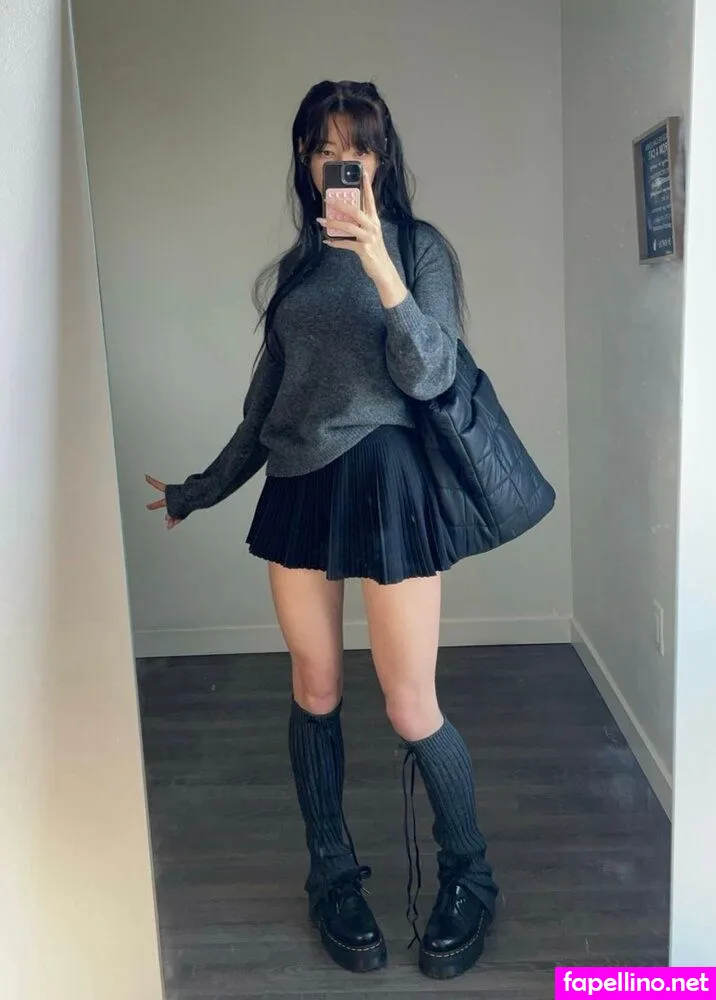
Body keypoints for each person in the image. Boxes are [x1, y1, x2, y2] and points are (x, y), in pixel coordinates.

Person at [145, 79, 498, 980]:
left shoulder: (419, 249)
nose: (343, 163)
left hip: (390, 484)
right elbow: (267, 405)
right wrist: (200, 489)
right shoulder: (294, 274)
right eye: (325, 149)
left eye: (359, 148)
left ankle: (470, 875)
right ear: (305, 162)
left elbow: (430, 375)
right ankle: (331, 874)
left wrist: (380, 264)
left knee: (411, 704)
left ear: (383, 159)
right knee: (315, 689)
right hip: (300, 488)